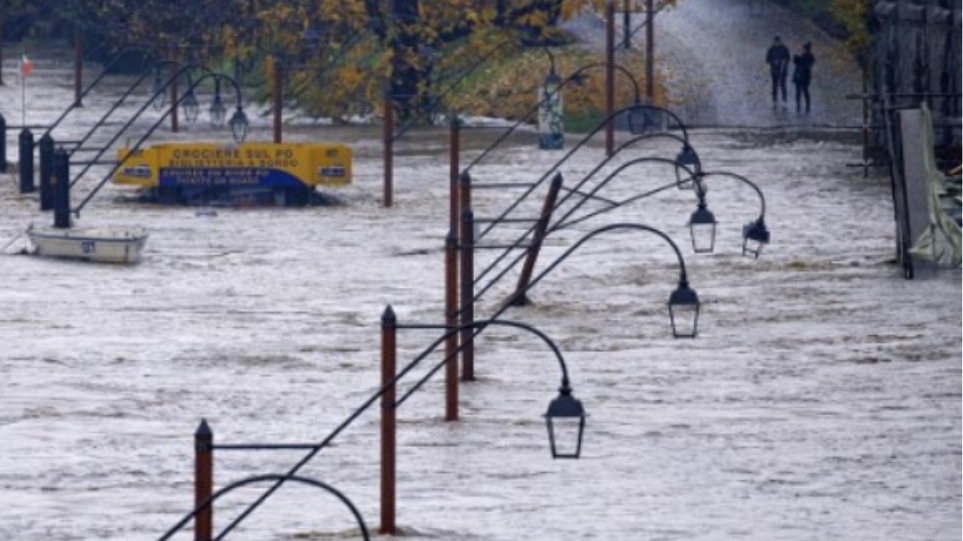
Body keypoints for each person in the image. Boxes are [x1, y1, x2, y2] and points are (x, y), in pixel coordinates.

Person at [765, 36, 791, 108]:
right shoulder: (771, 49)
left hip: (783, 71)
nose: (776, 43)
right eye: (775, 42)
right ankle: (774, 101)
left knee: (783, 86)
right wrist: (773, 62)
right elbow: (767, 59)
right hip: (774, 70)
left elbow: (788, 58)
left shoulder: (785, 49)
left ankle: (784, 101)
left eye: (778, 42)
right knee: (774, 86)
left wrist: (784, 62)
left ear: (780, 41)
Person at [792, 42, 816, 114]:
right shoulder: (803, 55)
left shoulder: (810, 57)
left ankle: (807, 106)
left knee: (805, 91)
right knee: (798, 92)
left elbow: (807, 66)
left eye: (804, 49)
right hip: (798, 76)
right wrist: (796, 59)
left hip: (805, 78)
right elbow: (797, 64)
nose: (803, 50)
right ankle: (798, 106)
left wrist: (800, 64)